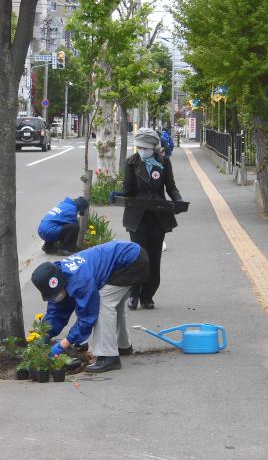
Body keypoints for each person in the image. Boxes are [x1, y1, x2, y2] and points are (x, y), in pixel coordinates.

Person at [31, 240, 149, 373]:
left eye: (56, 293)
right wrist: (43, 335)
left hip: (133, 261)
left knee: (104, 303)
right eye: (51, 295)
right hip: (129, 257)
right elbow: (56, 313)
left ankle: (108, 357)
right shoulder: (58, 277)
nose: (55, 297)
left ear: (60, 282)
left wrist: (65, 343)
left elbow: (88, 316)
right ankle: (123, 346)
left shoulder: (80, 281)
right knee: (115, 305)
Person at [122, 127, 183, 310]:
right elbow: (128, 190)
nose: (142, 151)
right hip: (137, 217)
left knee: (154, 259)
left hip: (157, 216)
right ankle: (133, 294)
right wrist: (117, 194)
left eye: (146, 148)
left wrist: (178, 200)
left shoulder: (163, 162)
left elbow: (170, 187)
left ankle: (147, 296)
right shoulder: (131, 163)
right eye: (139, 147)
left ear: (154, 147)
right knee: (138, 257)